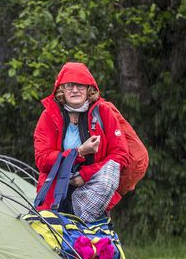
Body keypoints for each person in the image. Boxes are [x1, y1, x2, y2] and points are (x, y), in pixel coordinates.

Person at [33, 62, 129, 220]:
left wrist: (85, 174)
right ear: (61, 89)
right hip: (54, 198)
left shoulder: (103, 112)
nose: (75, 90)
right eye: (69, 85)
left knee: (88, 243)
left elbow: (120, 155)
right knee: (56, 243)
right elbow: (42, 160)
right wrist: (79, 152)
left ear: (89, 89)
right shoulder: (49, 116)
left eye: (80, 85)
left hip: (93, 198)